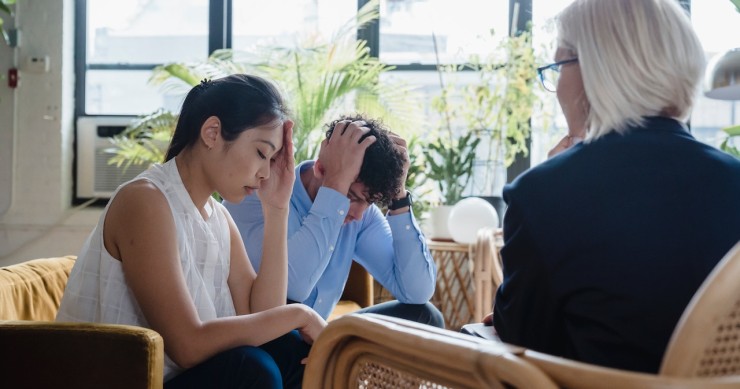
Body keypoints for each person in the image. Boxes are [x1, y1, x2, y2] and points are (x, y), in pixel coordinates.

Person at [481, 0, 740, 374]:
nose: (555, 88)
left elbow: (525, 338)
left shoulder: (543, 194)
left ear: (596, 70)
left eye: (557, 67)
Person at [56, 74, 327, 388]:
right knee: (251, 369)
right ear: (212, 133)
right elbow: (188, 346)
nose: (266, 172)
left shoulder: (218, 218)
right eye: (260, 153)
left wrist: (277, 210)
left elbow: (263, 315)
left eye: (272, 159)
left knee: (291, 350)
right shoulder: (145, 201)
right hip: (122, 380)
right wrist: (301, 315)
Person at [224, 114, 444, 328]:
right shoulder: (259, 192)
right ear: (320, 168)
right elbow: (293, 289)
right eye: (352, 197)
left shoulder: (361, 215)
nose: (358, 215)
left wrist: (399, 196)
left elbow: (417, 292)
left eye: (370, 202)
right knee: (289, 324)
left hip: (318, 336)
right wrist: (337, 186)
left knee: (425, 316)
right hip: (267, 337)